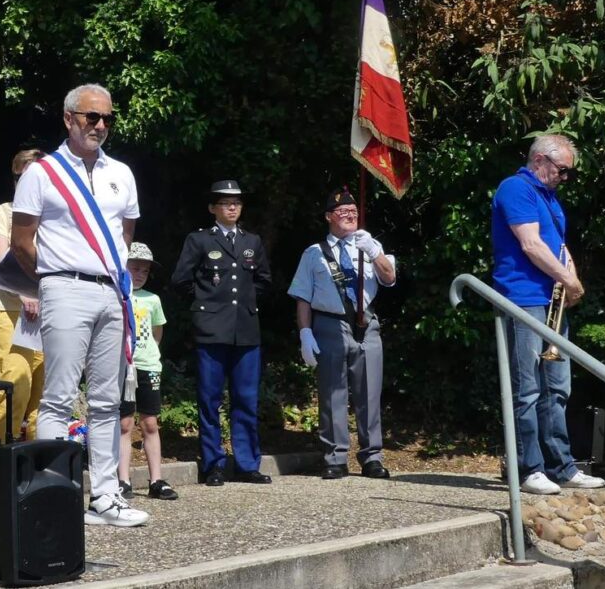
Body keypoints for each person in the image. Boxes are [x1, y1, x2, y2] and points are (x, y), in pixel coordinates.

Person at [11, 83, 149, 528]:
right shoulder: (42, 173)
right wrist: (53, 277)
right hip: (64, 288)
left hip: (112, 289)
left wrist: (105, 272)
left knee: (109, 400)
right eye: (92, 117)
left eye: (108, 118)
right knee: (59, 396)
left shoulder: (122, 173)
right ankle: (56, 493)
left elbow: (123, 236)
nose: (102, 126)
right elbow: (21, 241)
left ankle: (106, 495)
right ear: (69, 118)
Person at [491, 134, 604, 494]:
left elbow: (557, 244)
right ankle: (530, 469)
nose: (565, 177)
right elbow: (531, 244)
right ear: (540, 160)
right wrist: (569, 279)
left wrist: (571, 279)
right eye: (562, 170)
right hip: (523, 299)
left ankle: (562, 467)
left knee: (557, 387)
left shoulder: (549, 197)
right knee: (527, 388)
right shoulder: (515, 188)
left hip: (551, 299)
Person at [287, 188, 396, 480]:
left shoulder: (369, 244)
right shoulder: (313, 253)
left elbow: (389, 278)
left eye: (353, 211)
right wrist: (305, 333)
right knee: (332, 392)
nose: (349, 216)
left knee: (369, 392)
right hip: (329, 324)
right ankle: (334, 457)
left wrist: (374, 252)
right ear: (328, 217)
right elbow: (303, 298)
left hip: (367, 325)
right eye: (341, 212)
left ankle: (372, 457)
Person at [170, 180, 272, 486]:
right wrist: (208, 303)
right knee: (210, 399)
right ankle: (213, 463)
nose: (232, 207)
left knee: (246, 398)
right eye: (225, 202)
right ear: (213, 207)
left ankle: (246, 463)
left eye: (237, 203)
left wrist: (244, 305)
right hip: (211, 329)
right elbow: (181, 280)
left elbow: (264, 281)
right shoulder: (200, 240)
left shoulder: (252, 241)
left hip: (246, 331)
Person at [0, 148, 47, 448]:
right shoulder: (2, 211)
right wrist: (27, 289)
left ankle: (35, 467)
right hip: (9, 311)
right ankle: (0, 459)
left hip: (49, 316)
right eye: (23, 176)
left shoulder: (54, 219)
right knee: (16, 380)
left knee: (43, 396)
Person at [117, 242, 177, 500]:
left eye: (145, 270)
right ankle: (122, 480)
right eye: (134, 268)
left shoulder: (153, 299)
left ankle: (156, 479)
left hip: (148, 365)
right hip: (123, 366)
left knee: (150, 422)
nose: (140, 274)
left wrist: (148, 353)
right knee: (124, 423)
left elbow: (157, 332)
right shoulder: (117, 295)